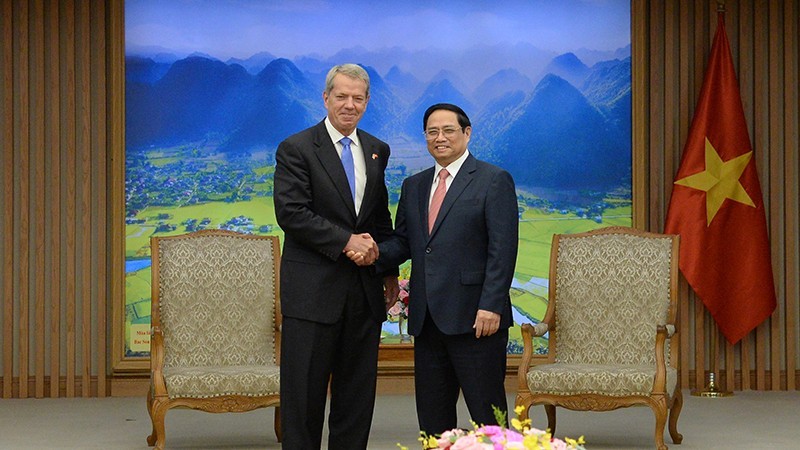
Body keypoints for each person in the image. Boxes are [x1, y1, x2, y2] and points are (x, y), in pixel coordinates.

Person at [372, 103, 519, 436]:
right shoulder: (415, 186)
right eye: (432, 131)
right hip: (427, 321)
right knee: (433, 422)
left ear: (467, 133)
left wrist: (491, 305)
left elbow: (503, 250)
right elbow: (404, 242)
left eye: (448, 130)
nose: (440, 138)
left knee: (488, 418)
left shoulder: (493, 180)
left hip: (477, 320)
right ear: (425, 137)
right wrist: (370, 254)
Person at [273, 63, 398, 449]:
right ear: (325, 98)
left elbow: (379, 217)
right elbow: (291, 213)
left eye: (357, 98)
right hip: (312, 295)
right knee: (303, 402)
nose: (349, 104)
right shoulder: (296, 148)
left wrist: (388, 271)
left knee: (356, 402)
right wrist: (347, 242)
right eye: (341, 96)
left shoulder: (378, 150)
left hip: (364, 294)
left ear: (367, 102)